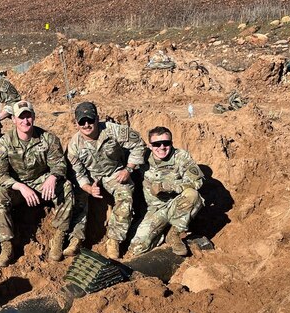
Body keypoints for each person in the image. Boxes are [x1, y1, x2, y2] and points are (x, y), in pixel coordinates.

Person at [0, 100, 74, 267]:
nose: (25, 121)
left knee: (66, 187)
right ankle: (6, 246)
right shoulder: (5, 143)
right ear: (13, 119)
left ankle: (59, 237)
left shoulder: (48, 139)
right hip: (17, 186)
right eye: (21, 117)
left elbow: (59, 164)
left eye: (28, 116)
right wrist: (20, 187)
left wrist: (53, 177)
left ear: (34, 117)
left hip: (41, 183)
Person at [66, 101, 145, 259]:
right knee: (75, 196)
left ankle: (114, 240)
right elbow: (78, 173)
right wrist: (88, 188)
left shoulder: (113, 131)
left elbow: (138, 144)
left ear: (97, 119)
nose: (87, 125)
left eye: (90, 120)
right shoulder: (74, 145)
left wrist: (128, 169)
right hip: (91, 177)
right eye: (82, 121)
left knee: (125, 193)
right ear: (76, 123)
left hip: (114, 173)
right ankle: (75, 239)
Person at [128, 126, 204, 256]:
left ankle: (174, 233)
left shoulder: (181, 157)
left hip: (176, 205)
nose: (162, 147)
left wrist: (169, 186)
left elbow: (198, 182)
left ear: (171, 143)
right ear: (150, 146)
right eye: (157, 144)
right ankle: (160, 233)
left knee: (193, 195)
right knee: (137, 248)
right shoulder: (142, 157)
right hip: (155, 210)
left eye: (166, 143)